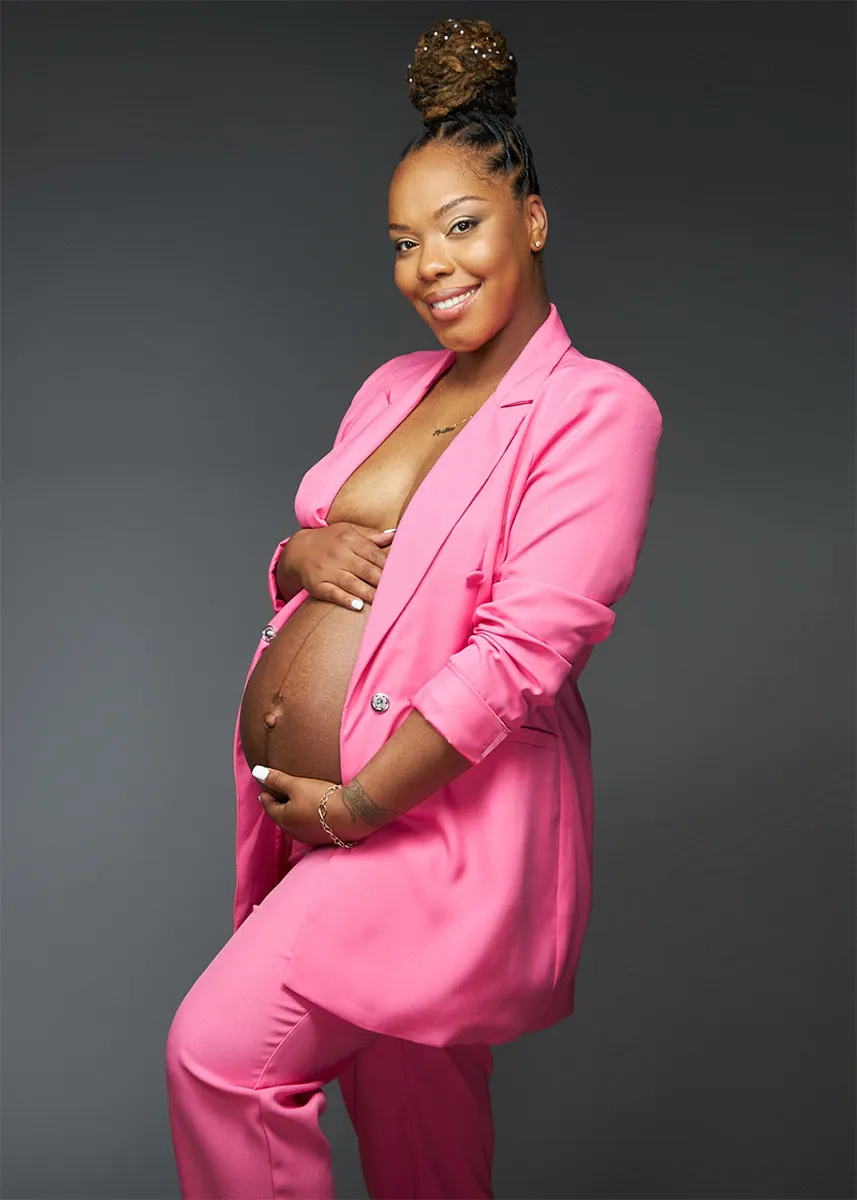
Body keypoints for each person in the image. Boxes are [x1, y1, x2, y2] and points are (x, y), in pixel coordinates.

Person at [165, 15, 663, 1200]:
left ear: (529, 221)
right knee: (427, 1150)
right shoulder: (390, 386)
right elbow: (330, 565)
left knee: (218, 1061)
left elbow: (523, 652)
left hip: (427, 828)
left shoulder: (595, 411)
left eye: (458, 227)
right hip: (322, 817)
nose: (427, 266)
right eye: (401, 242)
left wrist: (356, 808)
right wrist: (292, 557)